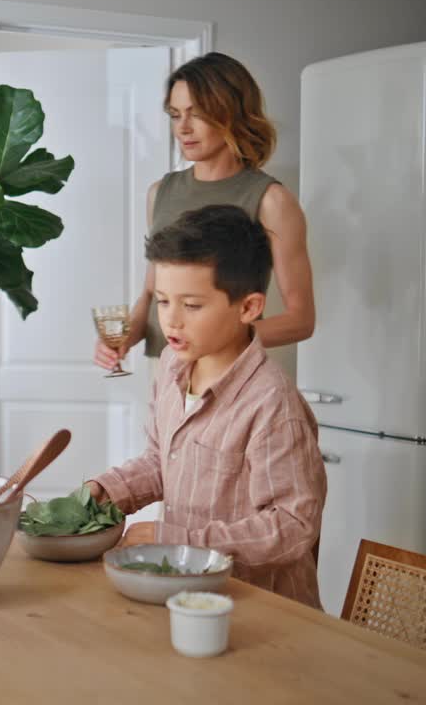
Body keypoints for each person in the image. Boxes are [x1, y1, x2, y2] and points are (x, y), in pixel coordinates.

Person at [87, 204, 326, 609]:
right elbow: (164, 459)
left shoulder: (272, 404)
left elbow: (293, 526)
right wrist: (109, 491)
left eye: (192, 306)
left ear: (249, 307)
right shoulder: (172, 366)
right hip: (187, 597)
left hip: (261, 610)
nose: (172, 321)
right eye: (163, 301)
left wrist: (179, 540)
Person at [94, 52, 314, 372]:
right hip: (166, 374)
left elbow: (301, 320)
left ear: (232, 114)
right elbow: (152, 292)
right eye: (174, 114)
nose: (183, 128)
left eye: (197, 114)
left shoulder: (271, 200)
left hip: (230, 376)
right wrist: (126, 337)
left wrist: (217, 341)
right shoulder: (160, 193)